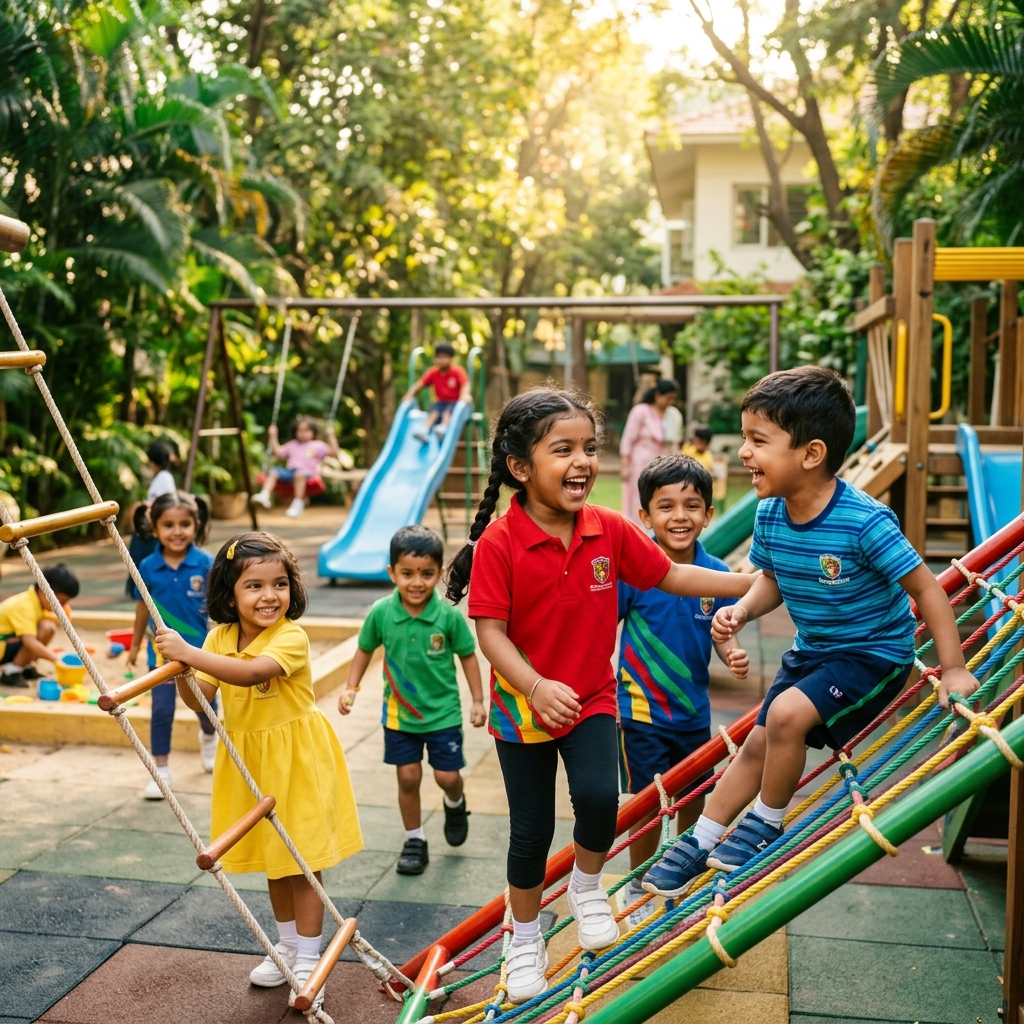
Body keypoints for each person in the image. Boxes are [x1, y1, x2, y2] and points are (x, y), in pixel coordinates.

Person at [445, 386, 751, 1004]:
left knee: (596, 799)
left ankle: (588, 887)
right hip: (520, 710)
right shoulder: (501, 544)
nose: (583, 461)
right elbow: (490, 635)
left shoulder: (607, 529)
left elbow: (672, 574)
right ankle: (524, 934)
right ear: (520, 467)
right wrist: (532, 685)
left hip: (591, 698)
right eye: (564, 449)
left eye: (590, 447)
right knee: (530, 833)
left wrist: (755, 580)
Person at [642, 366, 981, 899]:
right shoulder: (771, 513)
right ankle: (701, 838)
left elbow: (928, 589)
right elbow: (772, 580)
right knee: (756, 743)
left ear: (811, 453)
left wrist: (954, 667)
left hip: (873, 654)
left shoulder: (864, 522)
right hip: (814, 653)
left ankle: (767, 822)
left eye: (759, 440)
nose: (745, 452)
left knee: (784, 716)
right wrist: (745, 611)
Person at [155, 532, 362, 1011]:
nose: (270, 596)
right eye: (255, 586)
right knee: (274, 858)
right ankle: (287, 945)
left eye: (280, 584)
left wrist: (188, 652)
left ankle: (309, 959)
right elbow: (201, 701)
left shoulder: (290, 636)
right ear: (230, 593)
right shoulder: (219, 638)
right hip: (252, 761)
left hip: (296, 758)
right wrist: (183, 671)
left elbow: (250, 674)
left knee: (301, 858)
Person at [616, 454, 749, 926]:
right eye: (666, 506)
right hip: (639, 711)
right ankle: (636, 883)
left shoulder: (714, 573)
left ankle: (680, 872)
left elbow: (722, 626)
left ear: (709, 514)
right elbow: (602, 624)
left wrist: (730, 649)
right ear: (645, 517)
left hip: (693, 713)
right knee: (645, 803)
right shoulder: (635, 569)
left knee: (694, 798)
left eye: (691, 506)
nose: (679, 516)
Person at [339, 525, 485, 875]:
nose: (416, 582)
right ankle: (414, 839)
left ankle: (455, 802)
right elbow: (364, 649)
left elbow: (468, 656)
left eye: (427, 574)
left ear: (439, 573)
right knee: (407, 778)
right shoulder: (381, 612)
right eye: (407, 574)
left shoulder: (448, 616)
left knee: (447, 777)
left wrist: (478, 700)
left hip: (443, 715)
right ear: (392, 572)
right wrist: (351, 687)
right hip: (399, 716)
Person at [127, 491, 218, 798]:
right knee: (162, 711)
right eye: (168, 525)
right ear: (155, 529)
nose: (177, 532)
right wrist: (135, 645)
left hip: (202, 655)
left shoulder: (205, 563)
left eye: (184, 524)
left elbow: (219, 611)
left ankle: (209, 739)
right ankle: (161, 770)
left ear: (196, 525)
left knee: (206, 709)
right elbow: (142, 608)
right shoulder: (148, 566)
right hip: (162, 657)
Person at [0, 564, 79, 688]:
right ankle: (11, 672)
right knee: (46, 629)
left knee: (47, 626)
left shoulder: (35, 601)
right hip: (2, 646)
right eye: (61, 601)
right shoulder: (25, 605)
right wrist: (56, 659)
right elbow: (30, 643)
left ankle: (24, 666)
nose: (62, 606)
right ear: (44, 591)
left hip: (7, 643)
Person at [619, 379, 680, 526]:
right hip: (640, 464)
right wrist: (625, 465)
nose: (670, 402)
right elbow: (628, 439)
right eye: (667, 398)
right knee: (639, 497)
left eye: (673, 399)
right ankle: (636, 529)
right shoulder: (640, 411)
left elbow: (676, 442)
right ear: (658, 395)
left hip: (664, 466)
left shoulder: (674, 415)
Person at [124, 439, 181, 597]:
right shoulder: (163, 477)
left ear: (153, 462)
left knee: (141, 553)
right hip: (150, 522)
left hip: (152, 523)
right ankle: (140, 586)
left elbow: (163, 502)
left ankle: (143, 587)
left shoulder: (164, 478)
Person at [252, 416, 338, 518]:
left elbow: (334, 453)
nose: (302, 434)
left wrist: (331, 436)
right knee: (274, 471)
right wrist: (273, 436)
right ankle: (264, 495)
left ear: (313, 432)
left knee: (299, 474)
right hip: (290, 473)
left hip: (309, 474)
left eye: (306, 430)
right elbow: (279, 452)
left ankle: (297, 505)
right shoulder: (293, 444)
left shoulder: (318, 445)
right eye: (299, 431)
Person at [405, 343, 471, 442]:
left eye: (445, 357)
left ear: (451, 358)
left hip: (455, 402)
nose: (441, 360)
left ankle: (443, 428)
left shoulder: (457, 371)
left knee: (447, 412)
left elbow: (465, 384)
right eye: (439, 357)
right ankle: (424, 430)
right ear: (435, 358)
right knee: (434, 411)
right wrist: (409, 395)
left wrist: (464, 395)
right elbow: (420, 384)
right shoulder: (433, 372)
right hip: (441, 401)